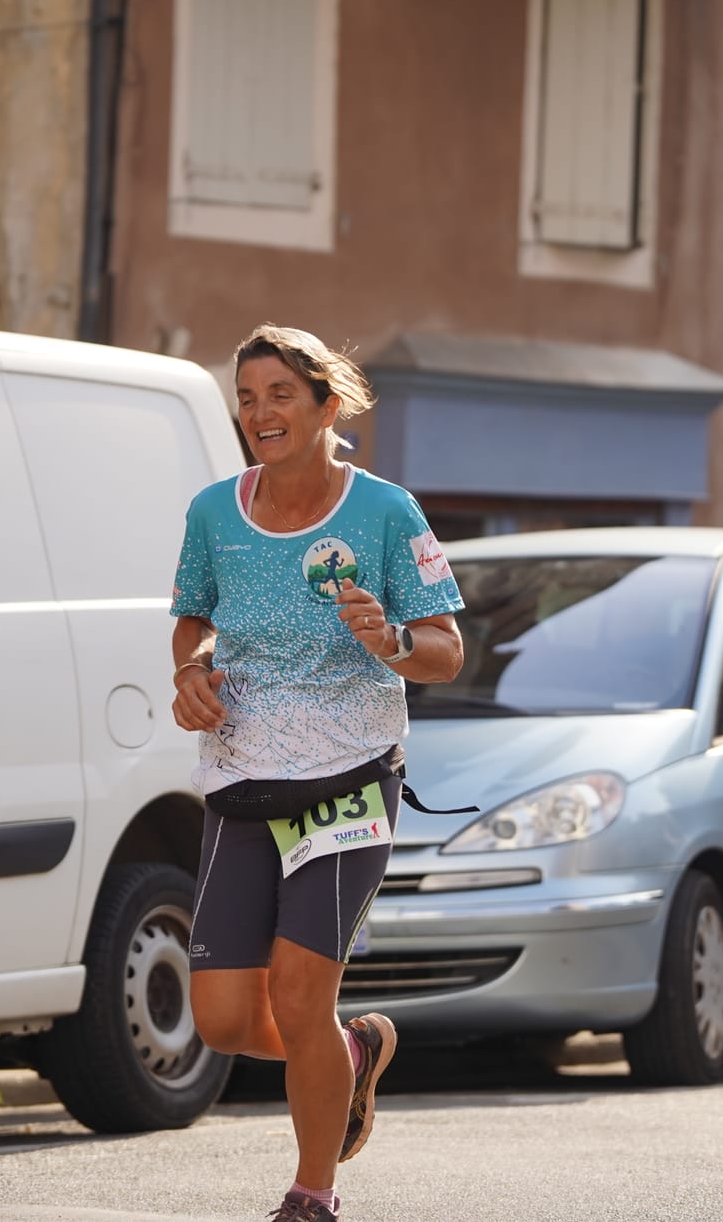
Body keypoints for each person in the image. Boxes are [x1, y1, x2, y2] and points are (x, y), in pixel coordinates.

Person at [170, 324, 465, 1222]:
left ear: (327, 405)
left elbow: (446, 651)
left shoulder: (386, 512)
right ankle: (351, 1052)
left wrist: (392, 640)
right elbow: (191, 619)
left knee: (300, 994)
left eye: (279, 396)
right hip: (244, 779)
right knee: (222, 1018)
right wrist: (192, 671)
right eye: (247, 397)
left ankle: (313, 1192)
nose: (259, 413)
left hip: (348, 777)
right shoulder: (214, 512)